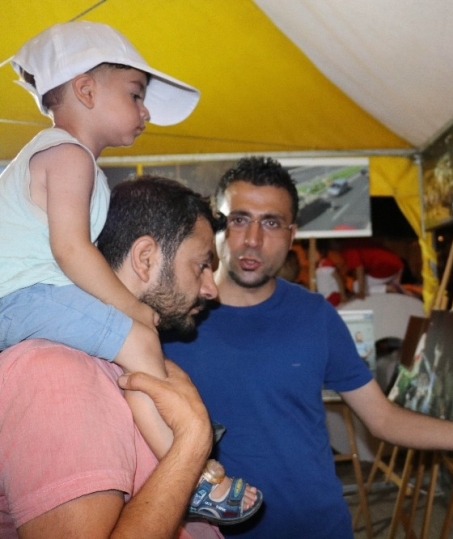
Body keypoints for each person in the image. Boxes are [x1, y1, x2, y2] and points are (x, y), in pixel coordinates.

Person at [163, 156, 453, 538]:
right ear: (217, 225)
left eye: (271, 222)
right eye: (239, 219)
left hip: (317, 528)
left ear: (292, 234)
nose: (252, 240)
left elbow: (383, 419)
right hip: (207, 531)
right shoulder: (174, 315)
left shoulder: (315, 315)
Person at [0, 22, 260, 524]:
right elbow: (72, 250)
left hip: (25, 296)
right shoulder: (69, 155)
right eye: (137, 95)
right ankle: (195, 472)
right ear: (85, 88)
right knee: (140, 341)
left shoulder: (53, 158)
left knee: (137, 352)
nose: (145, 112)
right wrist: (132, 305)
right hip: (26, 295)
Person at [0, 177, 236, 537]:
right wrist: (193, 439)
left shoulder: (114, 362)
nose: (211, 289)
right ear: (145, 259)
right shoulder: (55, 370)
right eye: (202, 265)